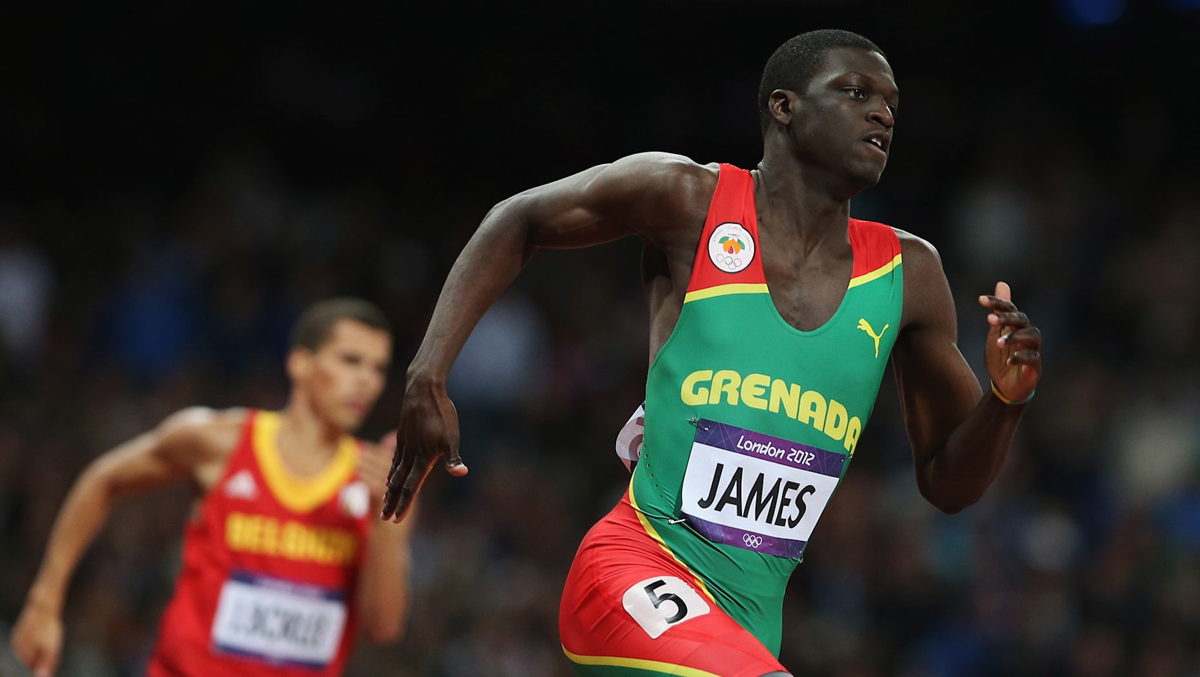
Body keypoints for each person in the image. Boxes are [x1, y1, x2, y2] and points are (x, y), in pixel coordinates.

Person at [381, 28, 1042, 677]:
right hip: (635, 572)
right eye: (855, 91)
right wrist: (427, 374)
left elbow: (950, 481)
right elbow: (517, 218)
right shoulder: (688, 199)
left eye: (892, 102)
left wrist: (1007, 398)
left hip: (747, 630)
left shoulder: (908, 273)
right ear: (783, 107)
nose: (883, 112)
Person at [11, 297, 414, 677]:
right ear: (300, 363)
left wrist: (387, 525)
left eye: (379, 369)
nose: (366, 381)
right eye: (350, 361)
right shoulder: (221, 441)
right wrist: (44, 601)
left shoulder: (378, 479)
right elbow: (103, 479)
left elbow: (383, 627)